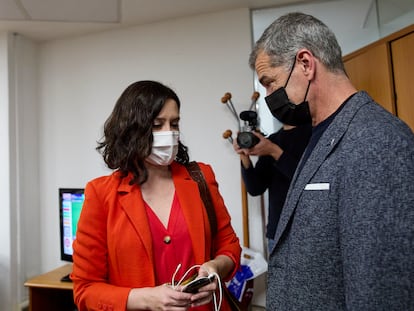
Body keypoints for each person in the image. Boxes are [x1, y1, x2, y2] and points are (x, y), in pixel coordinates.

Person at [249, 12, 414, 310]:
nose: (269, 96)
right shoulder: (320, 133)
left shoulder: (376, 139)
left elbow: (380, 289)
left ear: (305, 64)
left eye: (270, 83)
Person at [71, 80, 241, 311]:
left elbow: (229, 246)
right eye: (157, 125)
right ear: (132, 130)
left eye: (174, 123)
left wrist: (215, 268)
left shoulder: (201, 177)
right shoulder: (101, 194)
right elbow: (86, 289)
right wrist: (147, 299)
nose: (169, 133)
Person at [233, 123, 311, 253]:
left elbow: (306, 179)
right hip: (277, 230)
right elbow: (255, 188)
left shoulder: (312, 133)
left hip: (307, 230)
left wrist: (274, 151)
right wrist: (243, 155)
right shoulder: (273, 140)